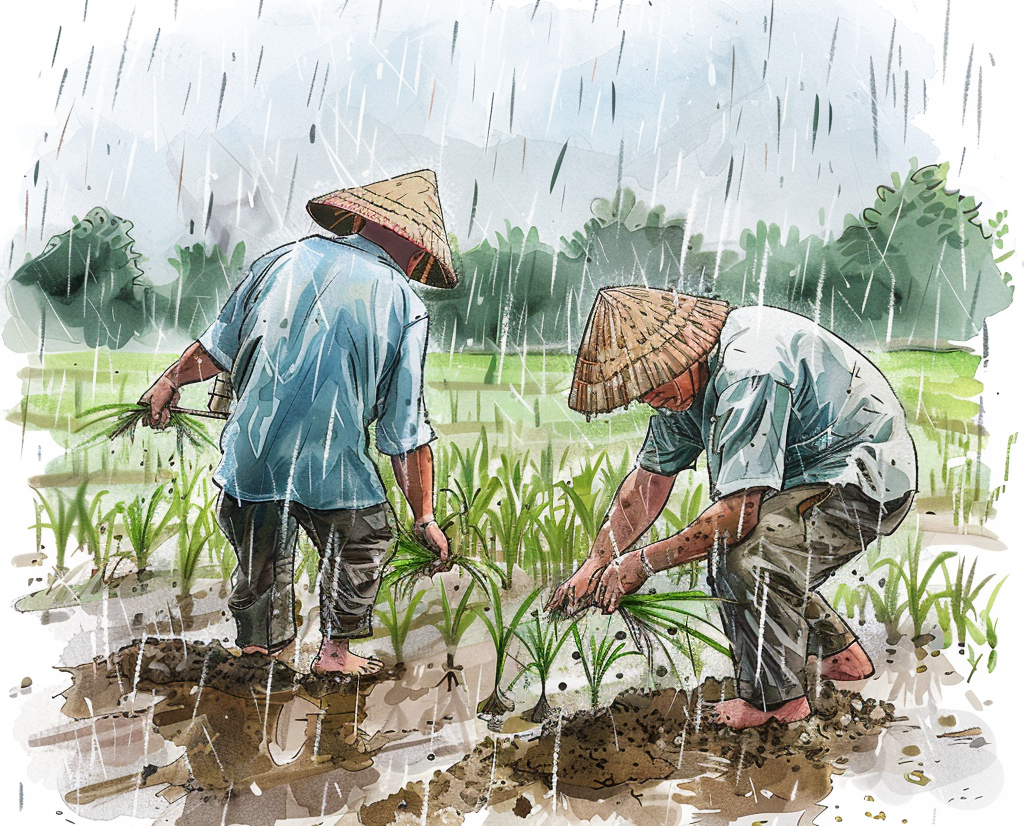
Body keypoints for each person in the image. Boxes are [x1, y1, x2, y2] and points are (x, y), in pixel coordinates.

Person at [547, 287, 916, 728]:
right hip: (805, 477)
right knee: (772, 549)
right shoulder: (679, 389)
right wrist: (596, 562)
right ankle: (841, 658)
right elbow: (648, 483)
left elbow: (736, 515)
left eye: (652, 387)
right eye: (640, 393)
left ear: (680, 353)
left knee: (743, 559)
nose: (650, 401)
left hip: (864, 475)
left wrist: (643, 563)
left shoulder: (749, 370)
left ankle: (776, 703)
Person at [141, 169, 458, 675]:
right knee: (366, 538)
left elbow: (218, 349)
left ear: (355, 220)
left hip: (252, 458)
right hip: (335, 467)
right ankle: (334, 655)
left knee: (258, 550)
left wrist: (169, 381)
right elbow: (405, 434)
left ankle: (258, 651)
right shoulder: (405, 304)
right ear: (418, 255)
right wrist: (424, 517)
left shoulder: (279, 262)